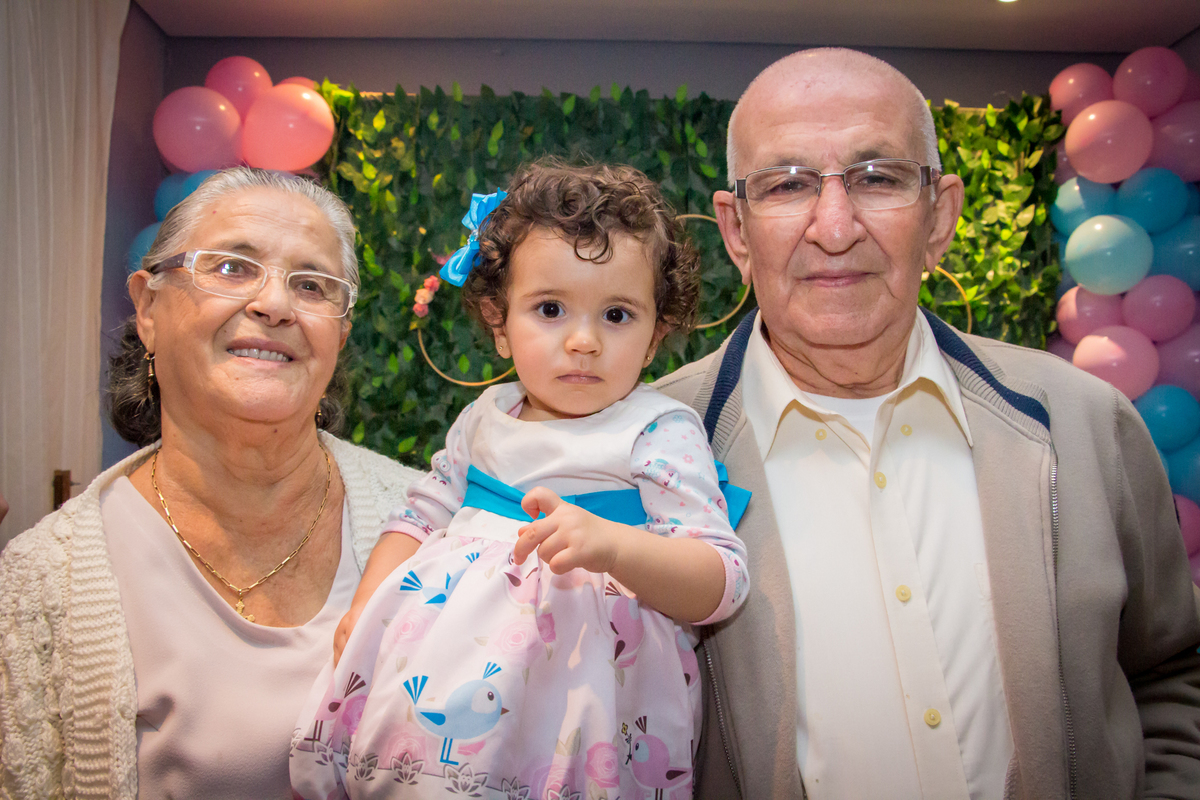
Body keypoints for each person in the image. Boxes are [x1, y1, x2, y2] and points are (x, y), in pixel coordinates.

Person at [655, 48, 1200, 800]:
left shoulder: (1086, 424)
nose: (835, 226)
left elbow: (1173, 669)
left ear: (940, 215)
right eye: (787, 185)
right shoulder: (644, 457)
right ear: (738, 230)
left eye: (877, 178)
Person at [290, 162, 750, 799]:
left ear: (655, 338)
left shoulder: (658, 428)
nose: (584, 341)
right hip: (444, 678)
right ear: (499, 322)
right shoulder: (484, 417)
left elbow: (721, 581)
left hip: (585, 700)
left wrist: (614, 548)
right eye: (551, 309)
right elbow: (420, 516)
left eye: (617, 314)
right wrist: (367, 603)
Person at [0, 167, 423, 799]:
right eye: (231, 268)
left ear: (340, 333)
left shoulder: (431, 525)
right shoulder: (40, 584)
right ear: (147, 307)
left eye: (310, 284)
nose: (274, 304)